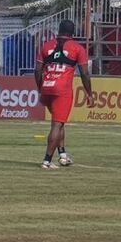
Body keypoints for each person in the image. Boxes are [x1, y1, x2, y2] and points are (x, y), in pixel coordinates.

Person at [34, 19, 93, 169]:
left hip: (47, 87)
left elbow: (37, 70)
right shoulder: (77, 48)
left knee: (59, 122)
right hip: (62, 90)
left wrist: (40, 88)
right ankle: (47, 161)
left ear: (59, 31)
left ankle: (63, 155)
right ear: (73, 33)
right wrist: (89, 94)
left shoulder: (46, 46)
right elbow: (85, 74)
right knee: (56, 125)